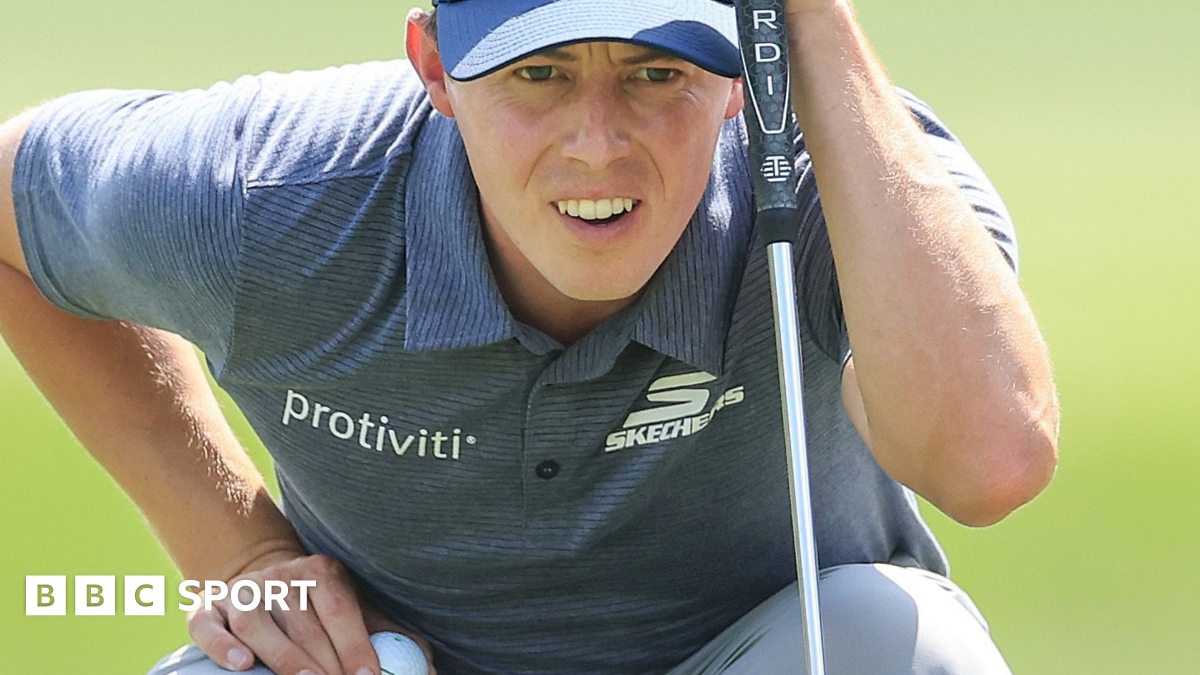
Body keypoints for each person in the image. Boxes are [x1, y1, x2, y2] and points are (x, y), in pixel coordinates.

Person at [0, 0, 1060, 673]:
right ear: (432, 65)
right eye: (536, 74)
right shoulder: (268, 193)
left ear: (742, 69)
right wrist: (236, 551)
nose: (597, 146)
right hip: (395, 665)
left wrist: (809, 16)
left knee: (907, 645)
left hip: (763, 656)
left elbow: (989, 462)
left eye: (656, 71)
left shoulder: (860, 183)